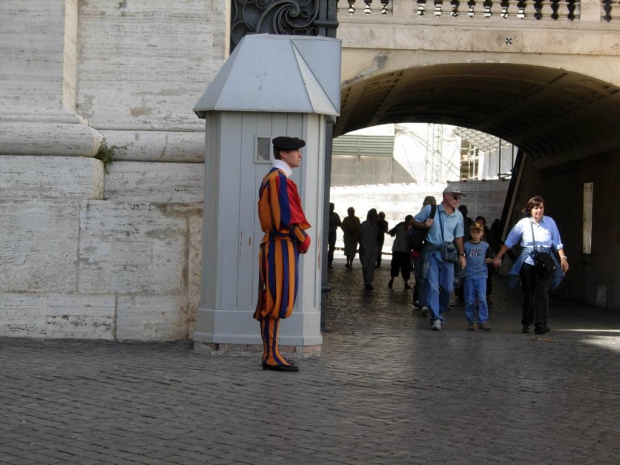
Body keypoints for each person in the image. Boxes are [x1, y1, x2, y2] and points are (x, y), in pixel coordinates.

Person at [254, 136, 311, 372]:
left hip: (277, 244)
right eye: (296, 152)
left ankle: (272, 353)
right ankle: (271, 356)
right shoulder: (279, 180)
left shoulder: (274, 178)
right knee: (276, 301)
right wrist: (303, 239)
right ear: (284, 154)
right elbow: (286, 219)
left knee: (273, 299)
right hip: (281, 244)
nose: (300, 155)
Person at [493, 196, 568, 335]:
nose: (539, 210)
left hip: (546, 261)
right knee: (529, 292)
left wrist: (563, 258)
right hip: (528, 261)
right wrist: (498, 256)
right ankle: (526, 323)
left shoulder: (550, 222)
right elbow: (510, 242)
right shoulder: (523, 223)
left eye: (541, 207)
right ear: (530, 209)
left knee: (542, 292)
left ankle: (541, 324)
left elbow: (557, 242)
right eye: (536, 208)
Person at [412, 185, 467, 331]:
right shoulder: (430, 210)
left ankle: (439, 310)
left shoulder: (459, 216)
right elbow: (413, 221)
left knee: (448, 288)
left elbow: (459, 236)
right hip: (431, 253)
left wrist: (462, 255)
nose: (458, 200)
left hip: (448, 254)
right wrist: (423, 225)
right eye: (455, 197)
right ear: (446, 196)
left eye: (459, 197)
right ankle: (436, 317)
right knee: (432, 286)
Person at [463, 222, 494, 331]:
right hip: (469, 276)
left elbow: (490, 257)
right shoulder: (466, 246)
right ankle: (471, 321)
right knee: (470, 299)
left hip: (481, 276)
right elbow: (462, 258)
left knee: (482, 298)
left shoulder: (485, 246)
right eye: (473, 232)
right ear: (470, 232)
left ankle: (483, 320)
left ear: (482, 233)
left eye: (478, 232)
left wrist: (490, 260)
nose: (475, 234)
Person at [412, 196, 437, 318]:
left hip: (419, 250)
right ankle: (424, 302)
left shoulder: (424, 213)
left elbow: (412, 222)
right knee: (426, 276)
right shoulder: (431, 212)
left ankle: (421, 301)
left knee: (421, 276)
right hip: (425, 250)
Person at [475, 215, 501, 308]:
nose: (480, 225)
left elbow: (495, 246)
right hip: (476, 262)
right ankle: (478, 299)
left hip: (487, 261)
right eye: (478, 223)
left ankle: (487, 297)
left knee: (487, 280)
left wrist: (494, 258)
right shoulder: (472, 234)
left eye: (482, 224)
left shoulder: (489, 235)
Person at [388, 215, 413, 290]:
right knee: (397, 266)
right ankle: (393, 280)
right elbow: (392, 232)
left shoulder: (410, 228)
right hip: (398, 250)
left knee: (404, 268)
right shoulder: (401, 226)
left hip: (405, 250)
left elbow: (391, 233)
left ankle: (399, 282)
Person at [358, 209, 379, 290]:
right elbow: (359, 235)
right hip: (365, 248)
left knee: (371, 267)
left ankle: (368, 283)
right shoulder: (364, 224)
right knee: (365, 266)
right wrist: (362, 246)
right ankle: (366, 281)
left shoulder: (375, 226)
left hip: (373, 249)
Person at [328, 203, 341, 269]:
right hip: (326, 233)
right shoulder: (324, 213)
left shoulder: (335, 215)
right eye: (330, 207)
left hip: (332, 233)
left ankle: (329, 263)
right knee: (323, 248)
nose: (331, 208)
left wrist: (334, 223)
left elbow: (340, 223)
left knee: (331, 248)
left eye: (332, 207)